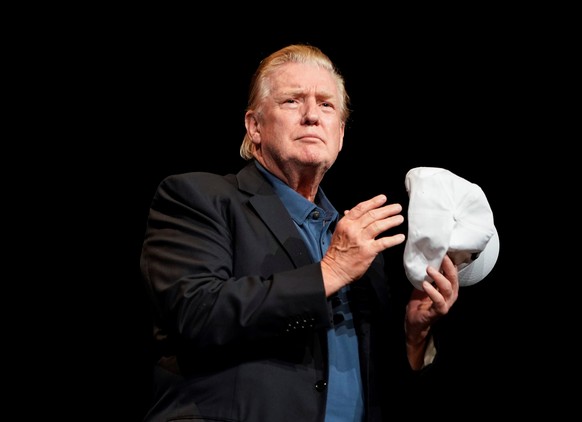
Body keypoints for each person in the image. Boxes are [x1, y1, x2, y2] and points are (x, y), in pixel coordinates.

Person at [139, 44, 460, 422]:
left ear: (340, 134)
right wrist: (330, 273)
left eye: (326, 105)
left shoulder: (354, 239)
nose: (312, 116)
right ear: (254, 126)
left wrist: (413, 336)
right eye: (292, 101)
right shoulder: (199, 198)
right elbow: (196, 313)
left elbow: (380, 389)